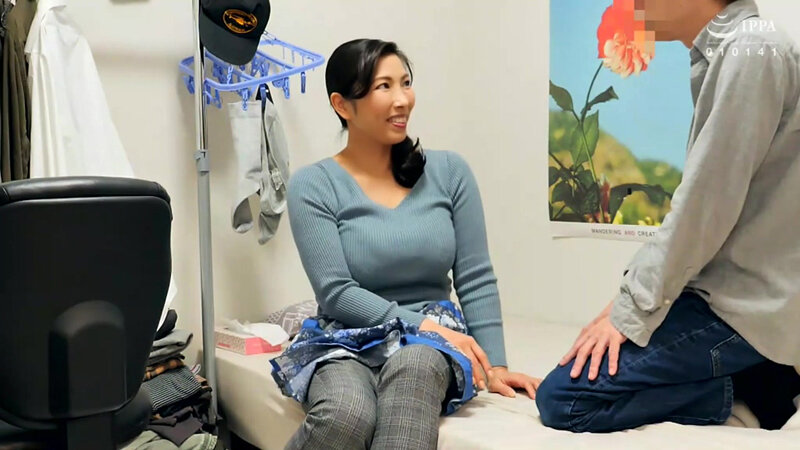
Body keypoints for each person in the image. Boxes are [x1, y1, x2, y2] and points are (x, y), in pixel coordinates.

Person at [536, 0, 800, 433]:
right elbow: (703, 208)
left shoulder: (752, 49)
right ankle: (761, 381)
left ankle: (759, 388)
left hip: (745, 311)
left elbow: (703, 208)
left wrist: (631, 309)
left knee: (566, 400)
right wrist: (623, 305)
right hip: (723, 297)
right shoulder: (741, 50)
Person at [275, 39, 539, 449]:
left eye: (406, 83)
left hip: (430, 340)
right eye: (384, 87)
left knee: (413, 372)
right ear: (343, 105)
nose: (402, 100)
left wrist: (496, 365)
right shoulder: (314, 185)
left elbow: (475, 276)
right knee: (346, 413)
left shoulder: (449, 172)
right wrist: (422, 324)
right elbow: (336, 292)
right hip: (347, 337)